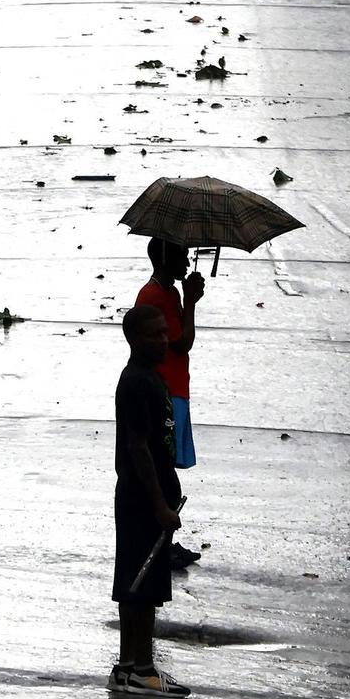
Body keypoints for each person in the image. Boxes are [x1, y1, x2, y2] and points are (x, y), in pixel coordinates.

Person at [110, 304, 190, 698]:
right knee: (140, 585)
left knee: (136, 582)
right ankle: (140, 668)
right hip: (143, 498)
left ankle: (129, 667)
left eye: (164, 333)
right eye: (154, 335)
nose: (162, 340)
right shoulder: (137, 382)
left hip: (146, 495)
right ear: (133, 339)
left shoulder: (149, 377)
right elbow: (138, 447)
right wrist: (159, 503)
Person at [136, 238, 205, 569]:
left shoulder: (169, 293)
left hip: (175, 387)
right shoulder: (154, 296)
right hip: (165, 391)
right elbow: (182, 343)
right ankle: (161, 542)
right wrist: (191, 302)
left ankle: (165, 541)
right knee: (164, 470)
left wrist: (186, 299)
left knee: (167, 470)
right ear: (165, 257)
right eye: (181, 254)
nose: (188, 261)